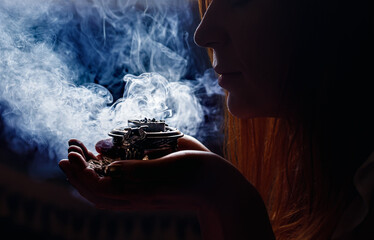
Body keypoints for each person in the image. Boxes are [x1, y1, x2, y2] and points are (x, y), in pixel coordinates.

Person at [59, 0, 374, 239]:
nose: (202, 34)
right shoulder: (322, 179)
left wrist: (228, 201)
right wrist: (212, 198)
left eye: (239, 0)